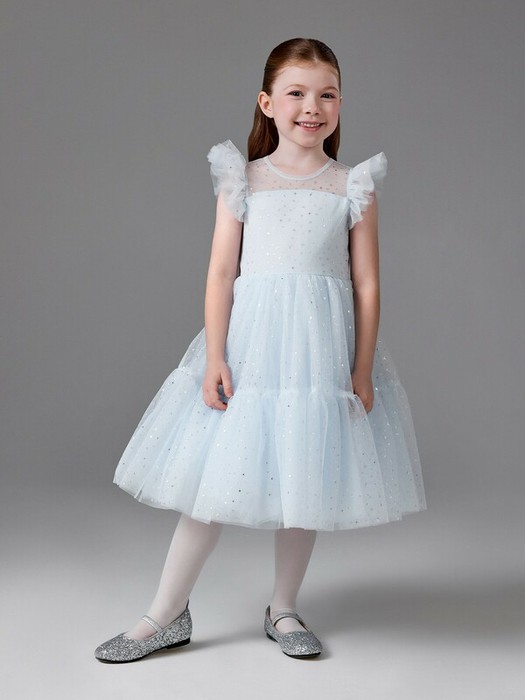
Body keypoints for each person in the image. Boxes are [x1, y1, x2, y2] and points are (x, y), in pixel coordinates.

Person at [95, 37, 426, 664]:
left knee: (307, 476)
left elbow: (366, 283)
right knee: (211, 482)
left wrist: (361, 366)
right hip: (250, 351)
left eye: (327, 94)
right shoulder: (242, 179)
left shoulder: (352, 186)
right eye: (296, 93)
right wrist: (216, 356)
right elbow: (222, 273)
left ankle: (284, 607)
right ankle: (164, 613)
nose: (312, 107)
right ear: (267, 103)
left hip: (319, 355)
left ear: (340, 103)